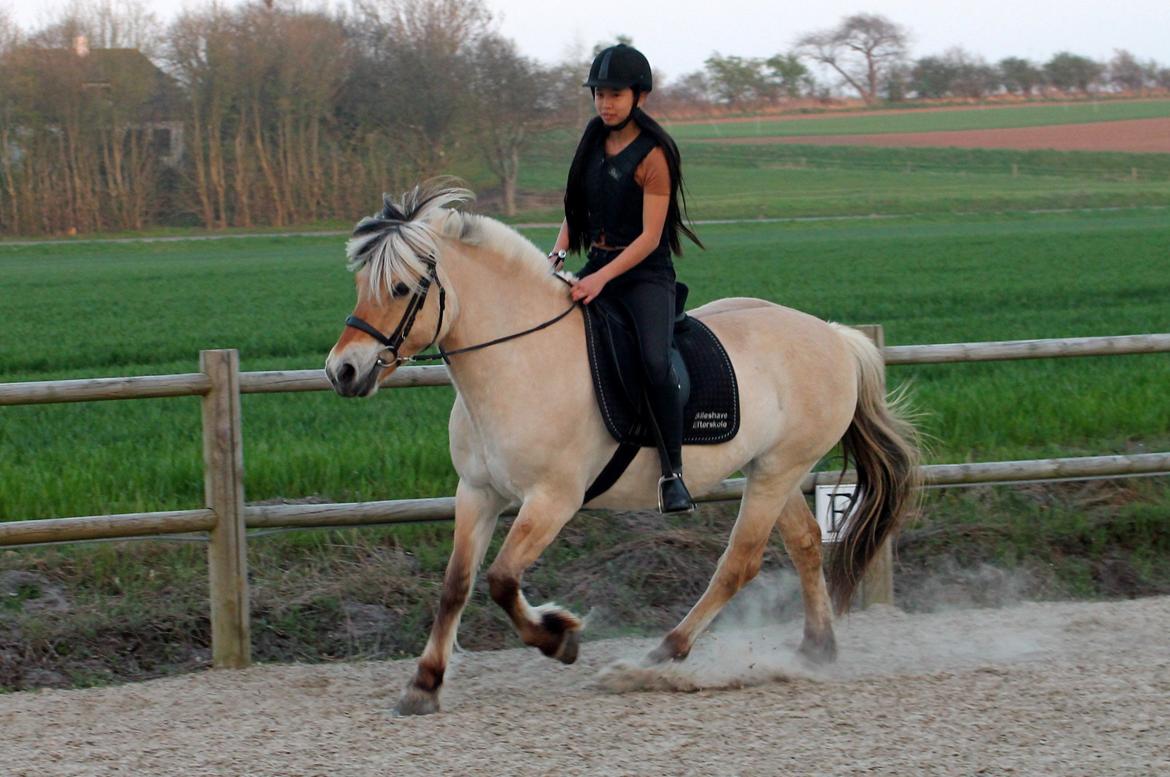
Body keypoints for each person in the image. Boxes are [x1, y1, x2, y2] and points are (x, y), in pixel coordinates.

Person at [547, 43, 703, 514]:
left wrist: (600, 280)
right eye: (598, 94)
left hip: (644, 276)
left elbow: (650, 237)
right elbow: (576, 211)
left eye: (614, 94)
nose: (604, 102)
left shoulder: (655, 155)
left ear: (640, 96)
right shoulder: (592, 140)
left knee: (654, 362)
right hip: (598, 265)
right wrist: (556, 253)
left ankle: (672, 474)